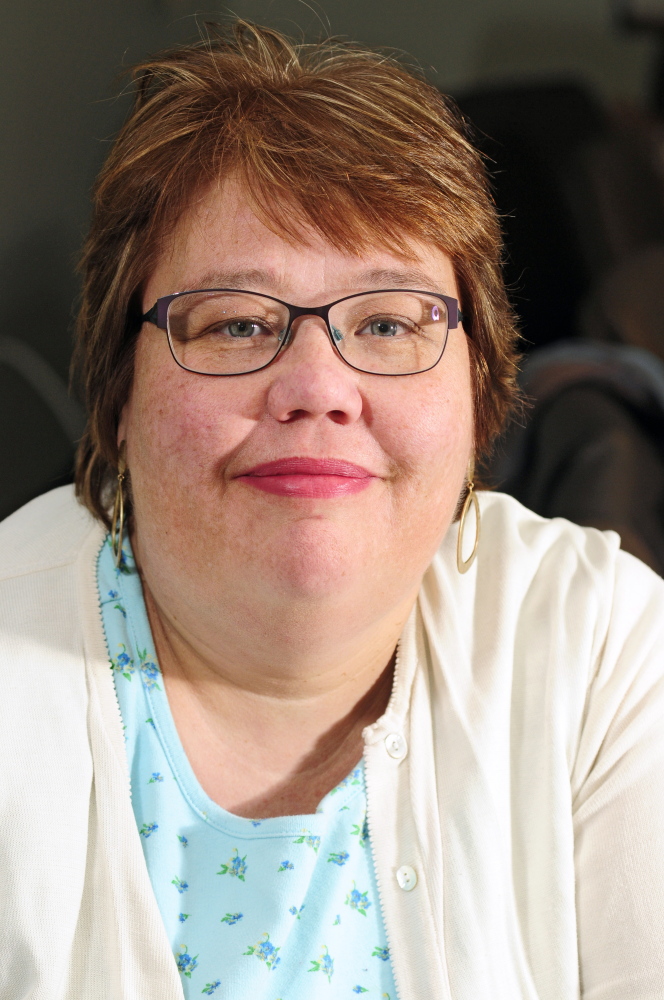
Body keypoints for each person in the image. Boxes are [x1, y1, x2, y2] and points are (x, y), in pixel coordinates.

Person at [1, 21, 663, 1000]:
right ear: (118, 394)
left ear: (479, 391)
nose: (317, 386)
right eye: (234, 322)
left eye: (388, 322)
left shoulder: (604, 643)